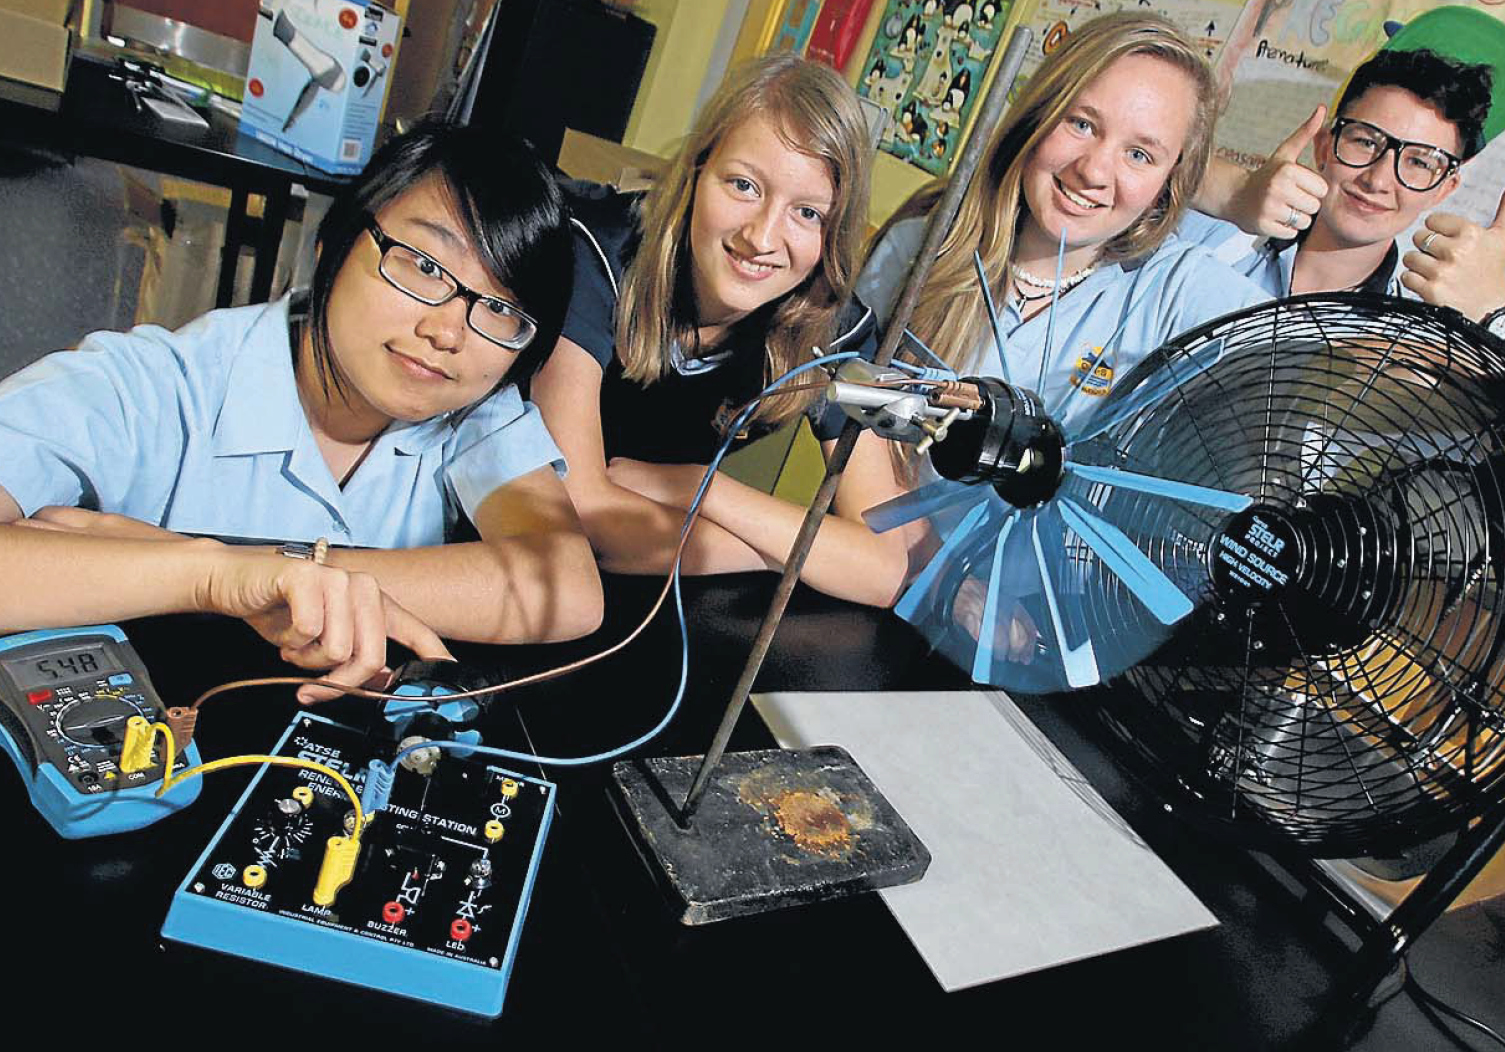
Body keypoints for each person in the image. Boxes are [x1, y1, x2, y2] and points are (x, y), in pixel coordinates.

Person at [0, 122, 603, 700]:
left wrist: (278, 571)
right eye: (423, 265)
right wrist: (210, 576)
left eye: (502, 309)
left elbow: (565, 588)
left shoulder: (471, 409)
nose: (449, 331)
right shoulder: (151, 386)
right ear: (331, 244)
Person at [531, 54, 922, 606]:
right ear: (695, 171)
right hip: (506, 547)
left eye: (807, 214)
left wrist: (700, 488)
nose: (763, 237)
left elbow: (880, 568)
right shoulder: (599, 254)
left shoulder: (834, 327)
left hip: (650, 578)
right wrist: (786, 553)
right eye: (743, 185)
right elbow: (575, 511)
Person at [1187, 7, 1505, 499]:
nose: (1378, 179)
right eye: (1365, 141)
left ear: (1444, 187)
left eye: (1419, 162)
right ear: (1325, 146)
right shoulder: (1210, 237)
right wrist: (1231, 190)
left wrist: (1502, 316)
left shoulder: (1417, 342)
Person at [859, 11, 1268, 428]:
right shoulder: (919, 250)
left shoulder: (1175, 290)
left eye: (1139, 155)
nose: (1093, 171)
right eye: (1082, 124)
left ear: (1171, 179)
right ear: (1040, 113)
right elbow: (844, 421)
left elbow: (1324, 363)